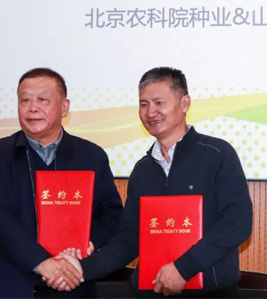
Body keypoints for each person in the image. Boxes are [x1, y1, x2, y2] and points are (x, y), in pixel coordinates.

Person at [53, 66, 253, 297]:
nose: (150, 112)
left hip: (212, 292)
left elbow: (237, 223)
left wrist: (183, 269)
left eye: (159, 103)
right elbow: (130, 237)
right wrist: (81, 269)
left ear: (185, 103)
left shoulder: (218, 154)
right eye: (144, 104)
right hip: (152, 291)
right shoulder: (142, 171)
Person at [0, 68, 123, 298]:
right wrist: (42, 263)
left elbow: (111, 213)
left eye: (42, 99)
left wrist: (88, 241)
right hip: (9, 283)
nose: (32, 107)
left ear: (64, 107)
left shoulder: (91, 156)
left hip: (73, 280)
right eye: (25, 100)